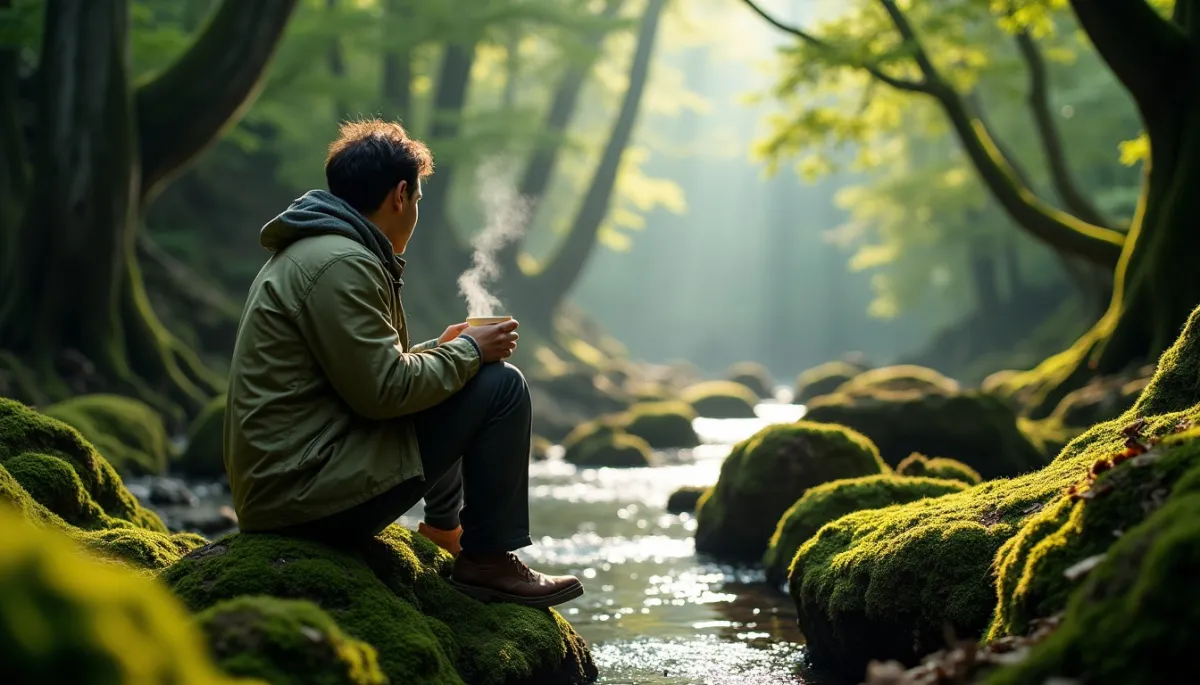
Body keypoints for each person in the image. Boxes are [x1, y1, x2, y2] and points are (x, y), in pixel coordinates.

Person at [222, 118, 583, 609]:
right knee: (502, 387)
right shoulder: (342, 263)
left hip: (294, 480)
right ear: (399, 195)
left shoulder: (323, 251)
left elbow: (364, 373)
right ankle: (488, 562)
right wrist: (470, 352)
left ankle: (444, 532)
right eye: (417, 198)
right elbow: (385, 391)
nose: (415, 211)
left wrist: (442, 348)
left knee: (462, 375)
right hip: (302, 495)